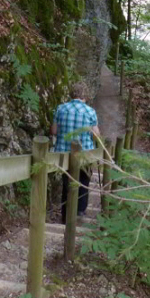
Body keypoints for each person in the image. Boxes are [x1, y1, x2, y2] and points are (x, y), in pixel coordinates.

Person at [51, 82, 100, 223]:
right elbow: (96, 135)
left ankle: (66, 217)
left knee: (67, 184)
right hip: (85, 155)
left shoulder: (60, 109)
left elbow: (53, 131)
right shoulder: (90, 111)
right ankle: (79, 213)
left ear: (71, 94)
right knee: (83, 182)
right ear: (85, 95)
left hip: (63, 155)